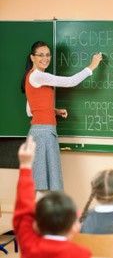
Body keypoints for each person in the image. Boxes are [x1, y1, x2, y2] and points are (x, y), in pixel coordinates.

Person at [13, 136, 112, 258]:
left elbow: (22, 213)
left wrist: (26, 167)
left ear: (37, 225)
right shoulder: (79, 255)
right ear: (75, 226)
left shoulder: (29, 245)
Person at [21, 40, 102, 194]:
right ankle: (42, 217)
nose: (45, 58)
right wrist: (92, 66)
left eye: (47, 55)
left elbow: (30, 110)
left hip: (41, 132)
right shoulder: (37, 76)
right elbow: (70, 82)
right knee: (43, 187)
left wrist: (54, 111)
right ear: (32, 57)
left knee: (44, 184)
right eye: (40, 55)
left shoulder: (32, 76)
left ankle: (45, 217)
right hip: (43, 134)